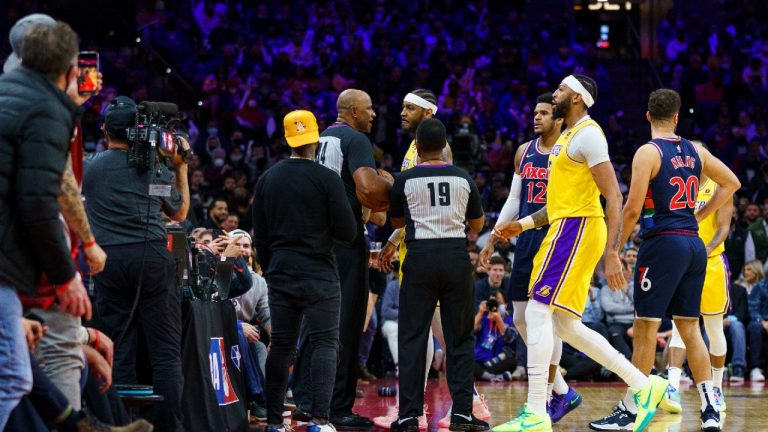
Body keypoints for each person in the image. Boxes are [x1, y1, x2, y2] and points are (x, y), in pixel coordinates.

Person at [493, 75, 667, 432]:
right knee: (564, 325)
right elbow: (558, 204)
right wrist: (521, 225)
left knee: (539, 312)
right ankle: (644, 385)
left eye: (559, 89)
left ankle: (536, 412)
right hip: (564, 227)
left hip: (578, 230)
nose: (554, 93)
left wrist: (614, 251)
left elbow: (614, 196)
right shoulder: (567, 139)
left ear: (576, 97)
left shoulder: (588, 134)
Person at [592, 88, 740, 431]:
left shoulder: (648, 151)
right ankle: (710, 408)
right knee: (690, 328)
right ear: (676, 117)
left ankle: (631, 409)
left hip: (663, 244)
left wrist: (613, 249)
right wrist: (699, 213)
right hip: (693, 245)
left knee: (645, 326)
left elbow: (631, 209)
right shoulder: (696, 151)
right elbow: (731, 182)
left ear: (647, 115)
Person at [375, 89, 491, 431]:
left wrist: (403, 233)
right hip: (455, 256)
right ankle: (463, 413)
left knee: (413, 337)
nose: (402, 112)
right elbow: (478, 224)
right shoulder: (463, 176)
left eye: (409, 107)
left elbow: (397, 221)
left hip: (420, 255)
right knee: (458, 338)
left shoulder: (408, 175)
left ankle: (410, 413)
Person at [0, 19, 92, 429]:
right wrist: (66, 274)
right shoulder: (47, 109)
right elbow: (40, 198)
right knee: (15, 377)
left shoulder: (10, 92)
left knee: (17, 376)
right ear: (71, 69)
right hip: (12, 263)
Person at [83, 95, 191, 431]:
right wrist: (181, 167)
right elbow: (180, 213)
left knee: (119, 345)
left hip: (108, 261)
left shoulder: (90, 166)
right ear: (138, 130)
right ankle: (168, 427)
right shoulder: (154, 165)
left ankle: (121, 423)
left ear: (105, 131)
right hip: (152, 258)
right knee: (165, 352)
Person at [292, 89, 393, 431]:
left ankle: (306, 401)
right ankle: (337, 407)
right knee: (346, 325)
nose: (374, 115)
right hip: (345, 244)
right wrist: (391, 186)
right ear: (352, 112)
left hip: (313, 242)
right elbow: (368, 189)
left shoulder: (318, 139)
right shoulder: (355, 138)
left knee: (314, 323)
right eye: (369, 109)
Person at [479, 92, 582, 424]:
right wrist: (494, 235)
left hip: (555, 237)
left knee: (546, 320)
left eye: (543, 113)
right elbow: (513, 197)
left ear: (559, 117)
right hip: (525, 236)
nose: (536, 117)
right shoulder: (524, 151)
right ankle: (562, 390)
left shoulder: (569, 150)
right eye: (534, 112)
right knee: (520, 317)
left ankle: (544, 395)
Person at [252, 110, 357, 432]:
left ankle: (274, 423)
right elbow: (348, 232)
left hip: (282, 271)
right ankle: (320, 421)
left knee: (282, 346)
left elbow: (261, 235)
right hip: (319, 272)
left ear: (288, 139)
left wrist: (272, 269)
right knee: (326, 343)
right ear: (315, 138)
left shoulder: (268, 178)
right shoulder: (327, 179)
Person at [662, 143, 735, 414]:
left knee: (714, 330)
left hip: (712, 263)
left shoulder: (720, 185)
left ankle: (716, 387)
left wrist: (704, 250)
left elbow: (724, 228)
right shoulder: (678, 184)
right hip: (683, 262)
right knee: (682, 324)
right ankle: (672, 386)